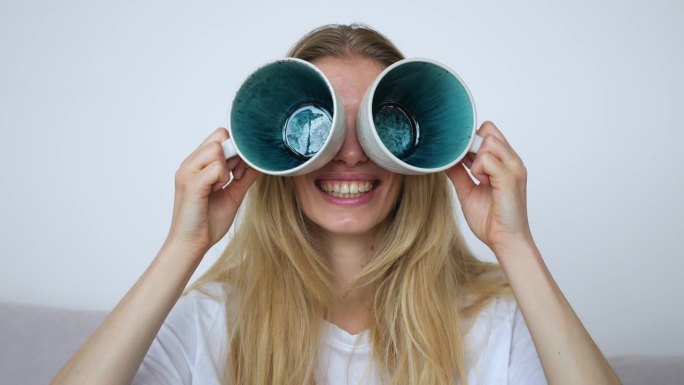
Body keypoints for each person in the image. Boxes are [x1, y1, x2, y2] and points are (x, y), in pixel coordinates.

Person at [52, 24, 621, 385]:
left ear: (420, 156)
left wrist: (513, 243)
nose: (349, 154)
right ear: (276, 152)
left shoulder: (495, 321)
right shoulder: (214, 320)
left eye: (375, 127)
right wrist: (185, 246)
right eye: (322, 131)